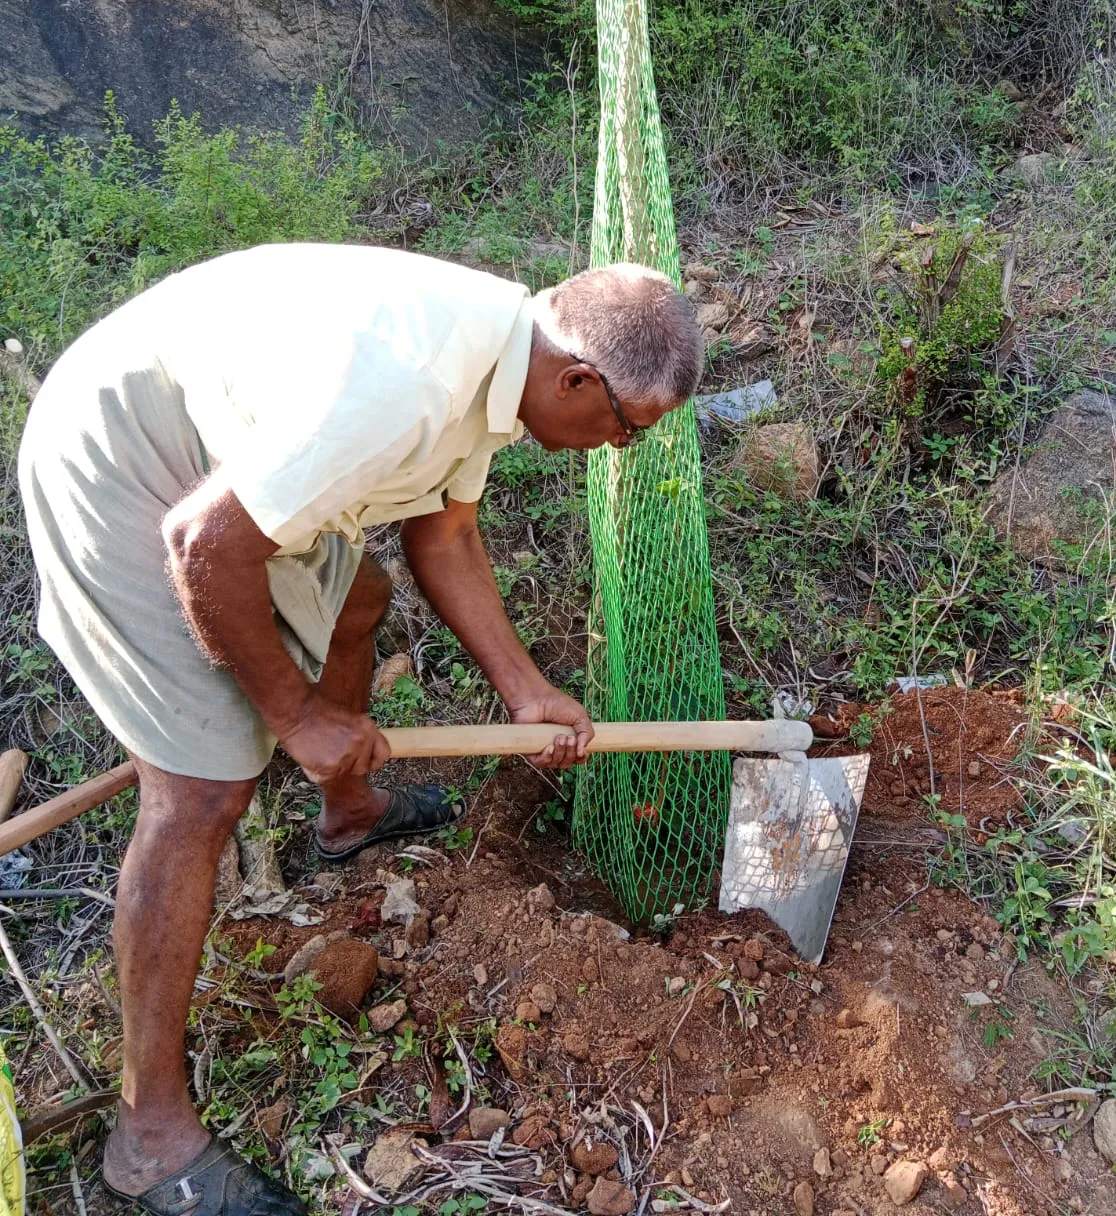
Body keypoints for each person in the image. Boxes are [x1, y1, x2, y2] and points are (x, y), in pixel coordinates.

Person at [17, 242, 703, 1216]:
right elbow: (203, 541)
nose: (618, 447)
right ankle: (148, 1135)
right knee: (199, 793)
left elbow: (446, 531)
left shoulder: (502, 355)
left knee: (359, 592)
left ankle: (349, 813)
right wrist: (295, 715)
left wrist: (526, 690)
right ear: (579, 378)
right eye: (626, 427)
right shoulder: (407, 380)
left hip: (215, 468)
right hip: (124, 472)